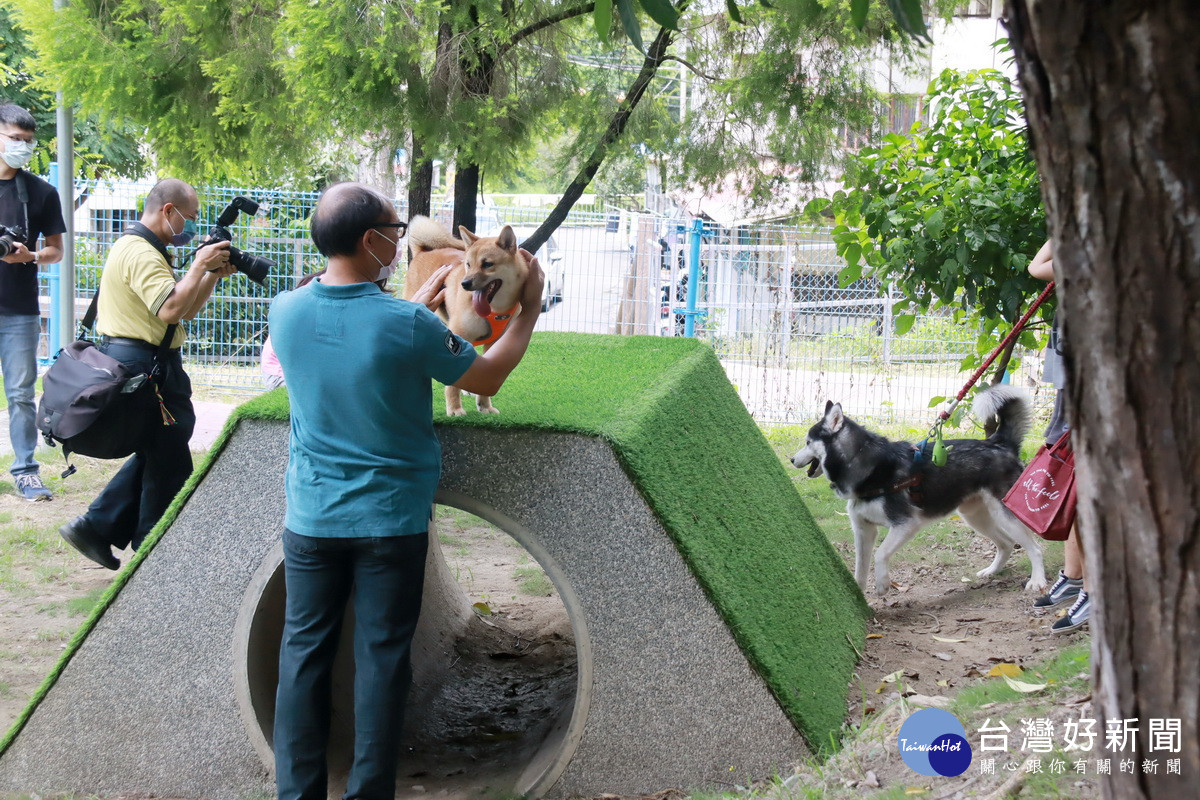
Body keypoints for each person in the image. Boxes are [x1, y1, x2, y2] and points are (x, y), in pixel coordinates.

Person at [267, 182, 542, 800]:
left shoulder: (285, 311)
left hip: (311, 521)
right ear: (370, 241)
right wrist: (529, 310)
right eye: (394, 230)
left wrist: (410, 310)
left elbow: (346, 329)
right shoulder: (410, 323)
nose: (401, 240)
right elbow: (490, 370)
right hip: (389, 523)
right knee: (382, 662)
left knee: (302, 657)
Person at [58, 179, 235, 570]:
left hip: (153, 362)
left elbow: (183, 310)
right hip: (142, 365)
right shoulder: (139, 251)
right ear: (167, 211)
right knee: (169, 456)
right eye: (187, 218)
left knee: (163, 447)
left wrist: (209, 276)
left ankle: (99, 527)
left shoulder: (151, 249)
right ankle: (153, 545)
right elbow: (170, 310)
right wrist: (198, 265)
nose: (190, 227)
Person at [0, 104, 65, 501]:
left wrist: (31, 256)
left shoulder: (42, 191)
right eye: (14, 139)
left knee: (21, 393)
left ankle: (26, 470)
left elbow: (56, 250)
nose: (22, 147)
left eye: (28, 141)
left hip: (19, 311)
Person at [1028, 239, 1088, 633]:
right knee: (1071, 483)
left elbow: (1038, 266)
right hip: (1071, 379)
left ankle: (1093, 594)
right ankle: (1075, 577)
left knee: (1083, 488)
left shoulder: (1097, 252)